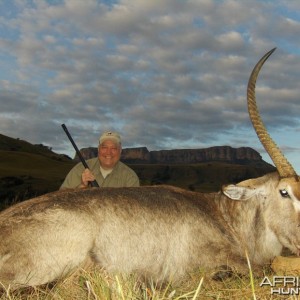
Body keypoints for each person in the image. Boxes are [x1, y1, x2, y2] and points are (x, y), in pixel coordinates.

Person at [60, 131, 140, 189]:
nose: (108, 152)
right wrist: (81, 187)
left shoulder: (130, 178)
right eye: (104, 147)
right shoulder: (79, 169)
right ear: (98, 149)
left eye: (114, 148)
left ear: (120, 151)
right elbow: (60, 200)